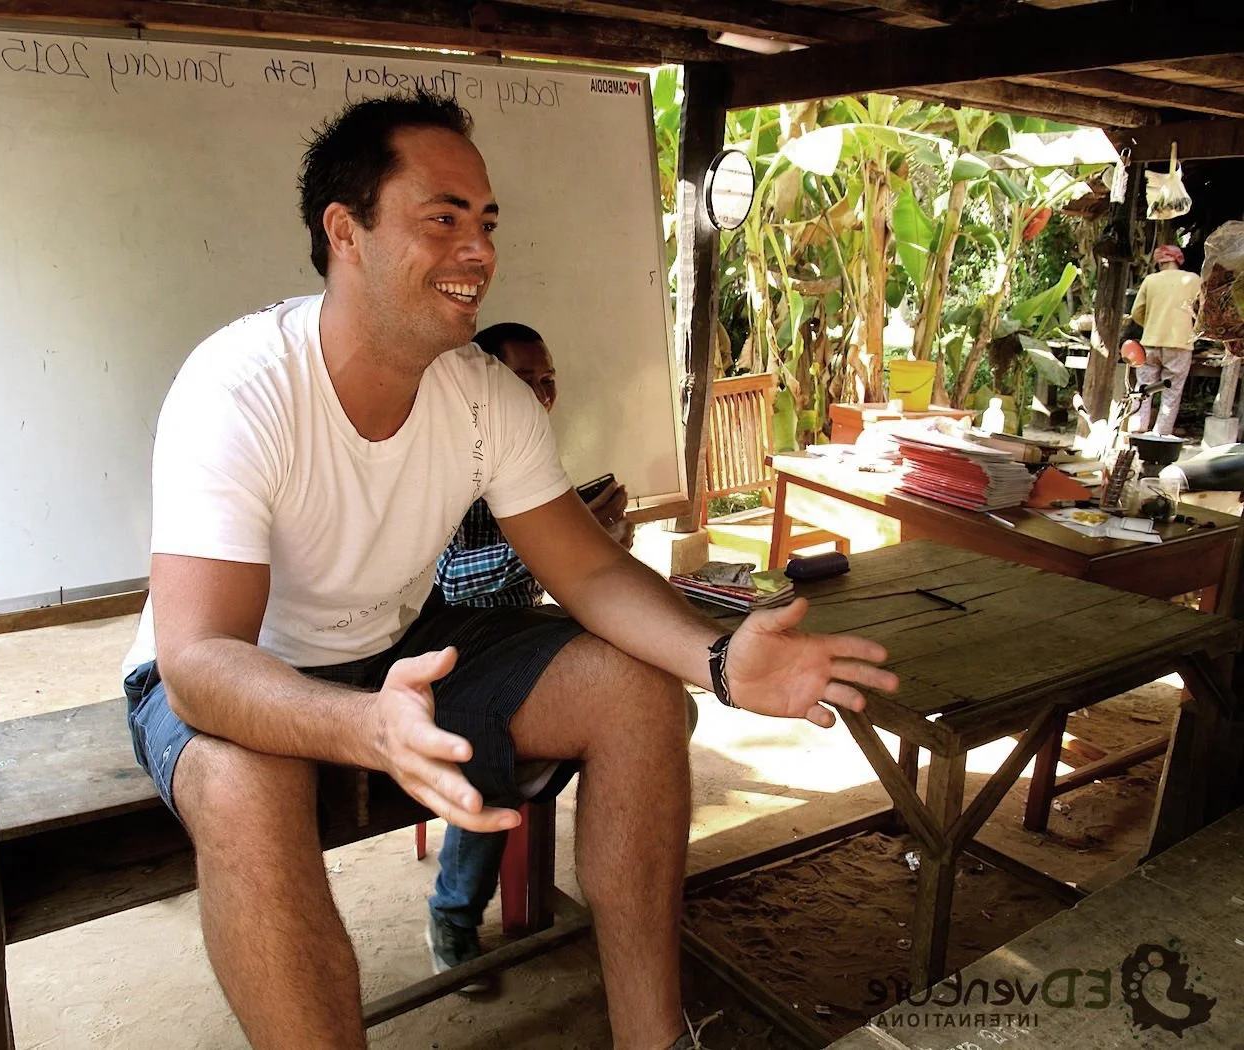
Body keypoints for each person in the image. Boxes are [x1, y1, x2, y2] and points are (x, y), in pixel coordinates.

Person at [121, 89, 897, 1050]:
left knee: (637, 693)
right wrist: (364, 724)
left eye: (485, 223)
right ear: (345, 231)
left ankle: (654, 1039)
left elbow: (592, 575)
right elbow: (200, 661)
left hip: (400, 645)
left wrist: (721, 661)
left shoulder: (486, 397)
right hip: (240, 667)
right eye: (442, 219)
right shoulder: (240, 388)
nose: (479, 250)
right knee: (246, 786)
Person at [426, 321, 636, 983]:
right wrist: (558, 539)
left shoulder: (530, 453)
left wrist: (597, 543)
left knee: (643, 708)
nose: (542, 396)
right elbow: (452, 580)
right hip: (448, 650)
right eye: (524, 382)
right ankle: (454, 914)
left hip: (520, 636)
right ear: (484, 386)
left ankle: (599, 896)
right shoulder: (441, 461)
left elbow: (558, 574)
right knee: (496, 756)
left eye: (548, 382)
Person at [1130, 244, 1202, 436]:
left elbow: (1136, 312)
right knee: (1172, 391)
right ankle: (1161, 434)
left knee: (1143, 388)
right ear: (1178, 260)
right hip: (1180, 343)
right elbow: (1204, 311)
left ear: (1160, 262)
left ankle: (1136, 428)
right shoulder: (1193, 280)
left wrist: (1151, 324)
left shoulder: (1150, 280)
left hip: (1150, 342)